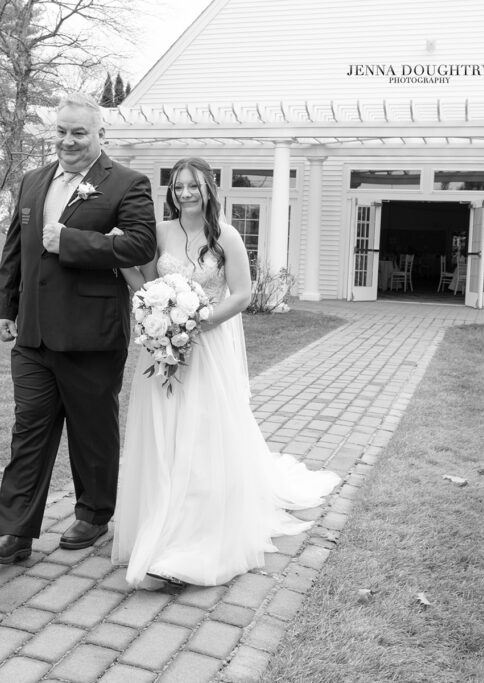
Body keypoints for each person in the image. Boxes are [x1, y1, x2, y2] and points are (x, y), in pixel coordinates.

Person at [109, 157, 340, 589]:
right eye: (177, 187)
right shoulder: (161, 233)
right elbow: (143, 282)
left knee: (201, 432)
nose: (184, 194)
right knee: (163, 432)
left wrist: (200, 320)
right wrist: (122, 258)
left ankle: (196, 532)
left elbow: (243, 294)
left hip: (207, 344)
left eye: (192, 186)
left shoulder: (226, 236)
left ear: (209, 189)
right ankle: (158, 515)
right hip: (163, 343)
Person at [0, 93, 157, 564]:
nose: (68, 140)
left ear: (101, 136)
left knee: (92, 431)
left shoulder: (127, 183)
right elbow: (14, 250)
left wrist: (71, 241)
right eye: (61, 131)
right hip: (34, 335)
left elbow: (141, 245)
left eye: (79, 132)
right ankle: (16, 533)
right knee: (29, 431)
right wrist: (5, 306)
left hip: (92, 335)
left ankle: (95, 514)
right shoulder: (33, 181)